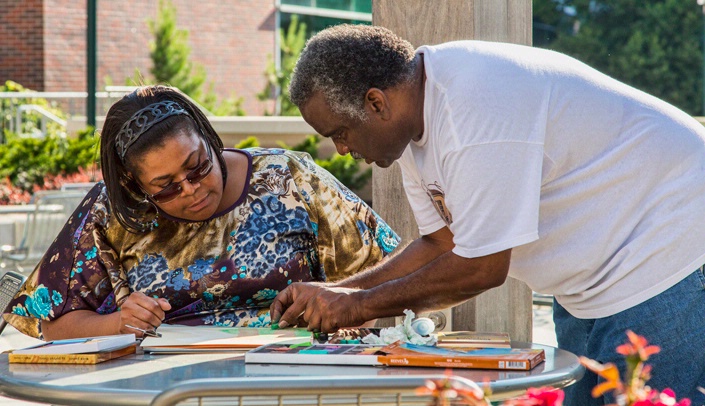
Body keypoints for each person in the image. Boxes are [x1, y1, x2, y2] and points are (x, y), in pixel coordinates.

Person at [269, 24, 705, 405]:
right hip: (595, 281)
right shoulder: (413, 121)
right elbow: (442, 243)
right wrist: (337, 293)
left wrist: (358, 305)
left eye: (340, 133)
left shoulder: (471, 111)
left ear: (376, 103)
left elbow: (481, 267)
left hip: (671, 248)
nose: (342, 149)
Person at [3, 84, 400, 341]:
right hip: (155, 388)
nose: (193, 189)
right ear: (134, 186)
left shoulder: (289, 179)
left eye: (198, 166)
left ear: (210, 139)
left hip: (297, 375)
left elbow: (390, 269)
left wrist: (340, 309)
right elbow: (50, 321)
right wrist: (117, 323)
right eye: (167, 187)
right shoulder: (110, 212)